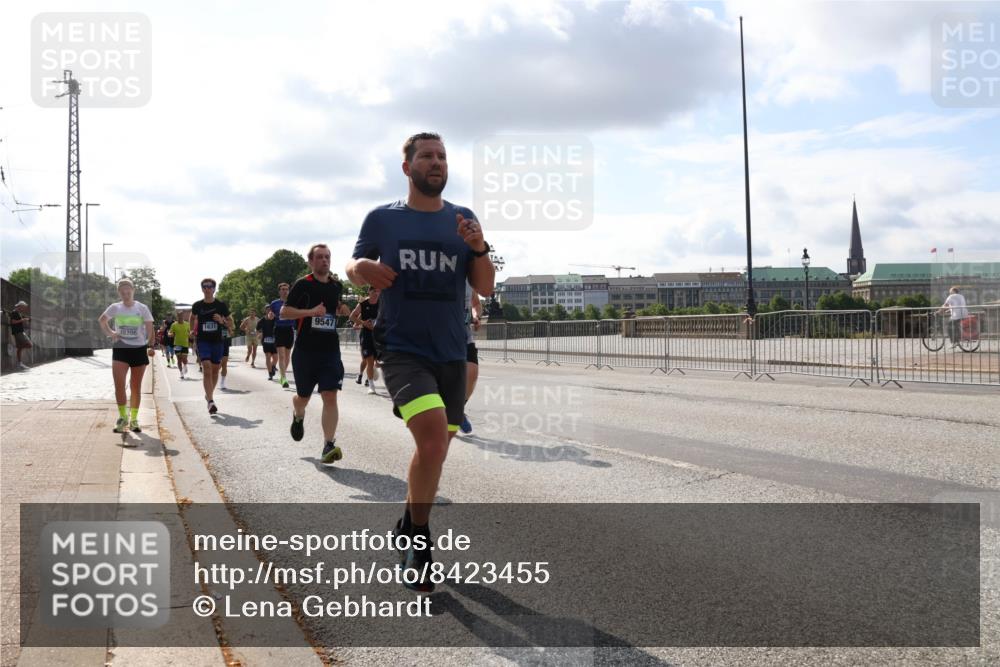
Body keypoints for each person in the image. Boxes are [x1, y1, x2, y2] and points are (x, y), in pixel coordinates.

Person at [346, 132, 495, 591]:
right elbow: (355, 266)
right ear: (407, 166)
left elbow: (485, 286)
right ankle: (421, 543)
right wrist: (361, 271)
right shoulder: (383, 219)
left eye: (442, 156)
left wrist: (479, 247)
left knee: (437, 449)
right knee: (432, 439)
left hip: (452, 349)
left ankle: (407, 524)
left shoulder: (462, 219)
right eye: (427, 156)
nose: (436, 162)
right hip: (403, 349)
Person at [281, 244, 352, 463]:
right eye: (320, 257)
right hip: (305, 352)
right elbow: (285, 312)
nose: (325, 260)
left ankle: (328, 444)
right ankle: (298, 413)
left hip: (330, 350)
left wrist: (341, 309)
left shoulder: (335, 286)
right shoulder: (303, 284)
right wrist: (311, 312)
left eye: (328, 257)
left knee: (330, 395)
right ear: (311, 262)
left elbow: (333, 306)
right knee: (303, 397)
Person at [98, 279, 155, 433]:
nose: (125, 294)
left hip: (138, 350)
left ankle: (134, 419)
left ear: (133, 290)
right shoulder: (115, 307)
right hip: (120, 349)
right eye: (122, 292)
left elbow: (150, 327)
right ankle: (123, 417)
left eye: (128, 291)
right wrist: (111, 333)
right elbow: (102, 321)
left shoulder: (141, 308)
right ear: (119, 293)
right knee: (119, 385)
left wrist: (150, 345)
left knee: (135, 387)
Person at [190, 278, 233, 414]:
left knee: (215, 370)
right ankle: (210, 401)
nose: (207, 289)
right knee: (207, 368)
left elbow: (230, 322)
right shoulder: (197, 305)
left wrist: (222, 320)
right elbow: (192, 317)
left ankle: (208, 395)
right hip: (203, 341)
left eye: (210, 286)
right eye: (205, 286)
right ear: (202, 289)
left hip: (217, 341)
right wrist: (191, 330)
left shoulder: (221, 305)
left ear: (214, 289)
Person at [349, 287, 381, 394]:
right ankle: (371, 385)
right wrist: (363, 323)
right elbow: (352, 316)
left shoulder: (383, 303)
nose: (376, 293)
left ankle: (373, 371)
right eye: (374, 291)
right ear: (369, 291)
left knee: (380, 361)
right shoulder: (363, 304)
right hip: (366, 335)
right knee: (369, 361)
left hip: (379, 336)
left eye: (378, 291)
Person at [460, 286, 482, 434]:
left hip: (464, 335)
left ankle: (457, 409)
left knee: (472, 372)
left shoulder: (468, 282)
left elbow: (476, 304)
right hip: (440, 335)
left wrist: (476, 317)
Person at [270, 283, 295, 388]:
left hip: (289, 329)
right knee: (281, 355)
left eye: (287, 289)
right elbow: (270, 315)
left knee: (288, 356)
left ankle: (282, 375)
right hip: (279, 329)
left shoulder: (293, 302)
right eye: (283, 289)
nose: (285, 291)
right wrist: (270, 316)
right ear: (279, 291)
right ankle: (284, 378)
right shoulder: (274, 303)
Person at [8, 300, 32, 370]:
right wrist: (23, 320)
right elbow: (13, 322)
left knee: (20, 348)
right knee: (29, 345)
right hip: (18, 332)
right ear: (20, 306)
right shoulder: (14, 312)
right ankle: (19, 347)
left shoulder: (18, 312)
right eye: (23, 307)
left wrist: (25, 320)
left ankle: (19, 364)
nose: (24, 309)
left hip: (19, 332)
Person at [257, 308, 278, 380]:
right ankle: (270, 374)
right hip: (265, 341)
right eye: (267, 309)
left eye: (270, 309)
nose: (269, 311)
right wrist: (259, 334)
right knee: (268, 357)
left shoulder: (275, 319)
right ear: (265, 311)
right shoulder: (262, 320)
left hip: (274, 341)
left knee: (275, 358)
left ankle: (272, 367)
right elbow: (257, 329)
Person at [170, 311, 192, 379]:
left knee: (184, 359)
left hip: (185, 343)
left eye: (182, 316)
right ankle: (181, 373)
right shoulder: (174, 325)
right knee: (179, 359)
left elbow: (190, 332)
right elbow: (170, 332)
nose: (180, 317)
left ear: (183, 316)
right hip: (177, 344)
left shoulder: (187, 324)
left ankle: (185, 366)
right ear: (177, 316)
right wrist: (170, 334)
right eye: (179, 316)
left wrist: (190, 335)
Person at [219, 317, 234, 390]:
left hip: (225, 342)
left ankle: (222, 382)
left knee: (224, 364)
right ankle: (212, 376)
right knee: (217, 364)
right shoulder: (215, 316)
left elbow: (231, 333)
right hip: (216, 342)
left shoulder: (228, 318)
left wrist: (227, 325)